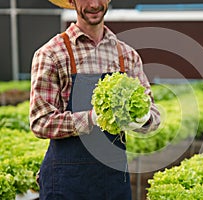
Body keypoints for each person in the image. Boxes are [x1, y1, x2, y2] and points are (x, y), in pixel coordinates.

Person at [29, 0, 160, 199]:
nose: (93, 4)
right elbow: (40, 122)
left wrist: (144, 119)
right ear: (72, 1)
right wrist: (91, 118)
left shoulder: (127, 55)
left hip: (114, 181)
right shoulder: (51, 54)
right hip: (67, 183)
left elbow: (153, 114)